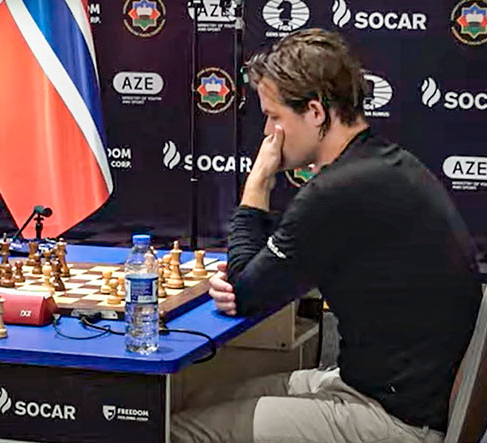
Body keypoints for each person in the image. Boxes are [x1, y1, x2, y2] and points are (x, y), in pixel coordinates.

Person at [172, 29, 483, 443]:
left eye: (275, 117)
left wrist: (259, 180)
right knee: (194, 398)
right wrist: (250, 275)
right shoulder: (384, 166)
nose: (268, 133)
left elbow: (245, 293)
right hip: (386, 391)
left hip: (396, 420)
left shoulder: (337, 190)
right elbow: (265, 270)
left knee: (173, 430)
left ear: (316, 112)